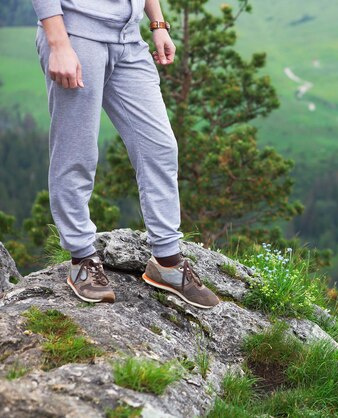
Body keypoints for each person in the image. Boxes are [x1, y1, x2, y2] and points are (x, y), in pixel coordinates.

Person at [31, 0, 220, 309]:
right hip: (77, 35)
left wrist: (157, 23)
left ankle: (168, 262)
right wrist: (58, 42)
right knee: (76, 151)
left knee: (159, 146)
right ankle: (81, 258)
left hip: (129, 39)